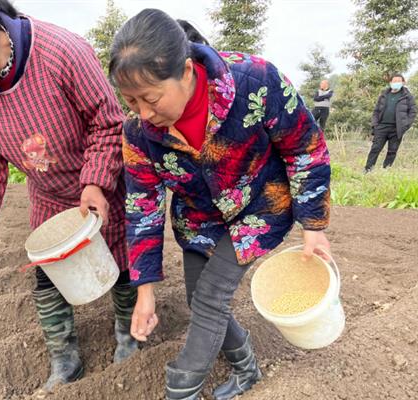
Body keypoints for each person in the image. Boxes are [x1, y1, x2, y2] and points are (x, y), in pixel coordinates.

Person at [0, 0, 138, 391]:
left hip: (103, 187)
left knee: (121, 264)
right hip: (49, 194)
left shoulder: (61, 52)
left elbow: (108, 124)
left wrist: (95, 181)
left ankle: (129, 339)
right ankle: (65, 362)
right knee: (48, 277)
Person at [109, 9, 331, 400]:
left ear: (187, 71)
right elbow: (142, 208)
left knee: (212, 295)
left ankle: (182, 386)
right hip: (199, 217)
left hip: (259, 206)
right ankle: (247, 367)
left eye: (151, 98)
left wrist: (313, 224)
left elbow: (304, 146)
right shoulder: (138, 133)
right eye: (130, 101)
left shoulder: (255, 82)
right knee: (198, 295)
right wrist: (144, 289)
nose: (143, 113)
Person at [364, 74, 416, 172]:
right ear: (390, 82)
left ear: (403, 82)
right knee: (375, 148)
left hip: (397, 129)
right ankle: (368, 169)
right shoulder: (384, 94)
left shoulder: (407, 96)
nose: (396, 83)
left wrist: (405, 125)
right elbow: (376, 111)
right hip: (381, 127)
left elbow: (412, 112)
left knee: (392, 151)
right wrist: (375, 125)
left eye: (399, 81)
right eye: (394, 81)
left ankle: (385, 170)